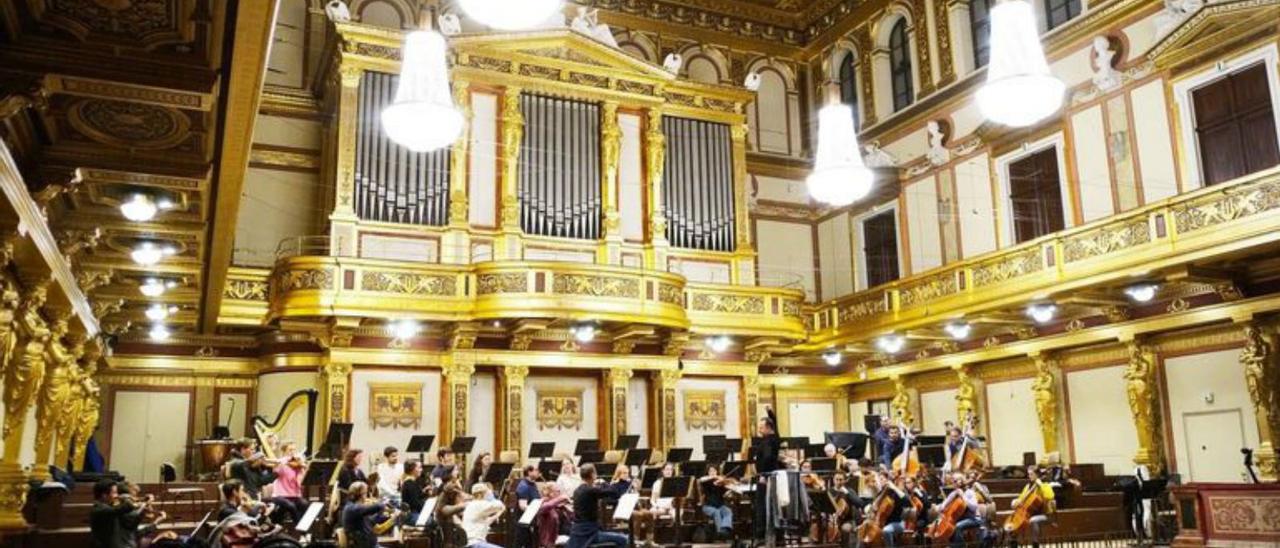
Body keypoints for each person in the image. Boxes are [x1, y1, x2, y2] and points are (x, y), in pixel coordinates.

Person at [567, 463, 630, 548]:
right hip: (589, 533)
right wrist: (605, 482)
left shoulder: (577, 490)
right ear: (593, 475)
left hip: (577, 531)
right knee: (624, 539)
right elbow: (614, 492)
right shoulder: (590, 490)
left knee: (616, 536)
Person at [753, 410, 782, 542]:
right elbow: (775, 424)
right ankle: (768, 533)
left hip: (766, 477)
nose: (759, 429)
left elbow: (768, 457)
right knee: (765, 505)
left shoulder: (770, 441)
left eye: (761, 427)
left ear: (768, 428)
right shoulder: (772, 438)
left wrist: (763, 475)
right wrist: (771, 413)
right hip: (767, 476)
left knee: (763, 506)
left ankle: (762, 534)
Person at [1008, 466, 1055, 547]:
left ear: (1037, 475)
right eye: (1029, 474)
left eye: (1031, 474)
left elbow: (1049, 496)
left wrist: (1041, 485)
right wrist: (1016, 501)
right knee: (1016, 521)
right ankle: (1013, 542)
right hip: (1030, 513)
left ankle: (1035, 544)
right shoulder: (1028, 486)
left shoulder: (1045, 485)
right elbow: (1021, 498)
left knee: (1033, 520)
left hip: (1045, 514)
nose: (1029, 476)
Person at [634, 462, 677, 546]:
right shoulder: (657, 483)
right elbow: (653, 500)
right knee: (651, 513)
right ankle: (650, 539)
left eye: (671, 470)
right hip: (659, 507)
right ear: (663, 471)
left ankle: (673, 539)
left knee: (677, 514)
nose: (669, 472)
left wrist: (670, 507)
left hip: (672, 507)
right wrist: (657, 506)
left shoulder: (675, 482)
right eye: (667, 470)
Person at [89, 479, 135, 548]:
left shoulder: (106, 507)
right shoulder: (100, 509)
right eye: (114, 493)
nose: (117, 496)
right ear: (104, 495)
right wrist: (125, 497)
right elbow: (129, 506)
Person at [342, 482, 390, 548]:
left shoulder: (354, 507)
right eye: (365, 493)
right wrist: (382, 504)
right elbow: (377, 506)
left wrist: (386, 517)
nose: (366, 495)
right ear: (360, 494)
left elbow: (370, 522)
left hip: (371, 544)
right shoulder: (353, 508)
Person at [269, 442, 307, 523]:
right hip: (280, 494)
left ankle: (301, 527)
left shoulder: (297, 464)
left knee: (304, 504)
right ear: (284, 452)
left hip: (294, 495)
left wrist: (301, 468)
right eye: (290, 450)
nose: (292, 452)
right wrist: (282, 463)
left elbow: (300, 483)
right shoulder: (281, 463)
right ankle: (300, 530)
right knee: (291, 506)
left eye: (294, 450)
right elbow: (275, 471)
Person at [462, 483, 506, 548]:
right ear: (480, 495)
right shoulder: (480, 504)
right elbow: (499, 505)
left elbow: (487, 521)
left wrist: (499, 513)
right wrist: (491, 496)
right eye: (486, 493)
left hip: (472, 542)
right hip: (475, 543)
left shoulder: (471, 505)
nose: (487, 495)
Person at [699, 464, 735, 540]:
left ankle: (725, 529)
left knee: (728, 511)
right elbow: (701, 479)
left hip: (720, 505)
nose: (712, 472)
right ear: (708, 472)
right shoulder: (706, 482)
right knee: (716, 512)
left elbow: (725, 494)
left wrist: (729, 490)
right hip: (708, 506)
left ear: (717, 471)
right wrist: (715, 477)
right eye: (710, 471)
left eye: (714, 471)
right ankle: (720, 533)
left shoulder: (721, 483)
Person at [514, 465, 542, 547]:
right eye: (536, 470)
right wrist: (535, 511)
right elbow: (522, 506)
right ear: (529, 472)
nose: (538, 472)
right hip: (524, 522)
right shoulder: (524, 486)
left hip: (530, 520)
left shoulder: (532, 484)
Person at [401, 459, 428, 524]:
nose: (421, 470)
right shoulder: (409, 484)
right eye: (419, 467)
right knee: (435, 521)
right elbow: (416, 504)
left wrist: (424, 492)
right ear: (413, 469)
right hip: (412, 515)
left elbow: (417, 496)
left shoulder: (412, 482)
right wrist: (429, 508)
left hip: (414, 512)